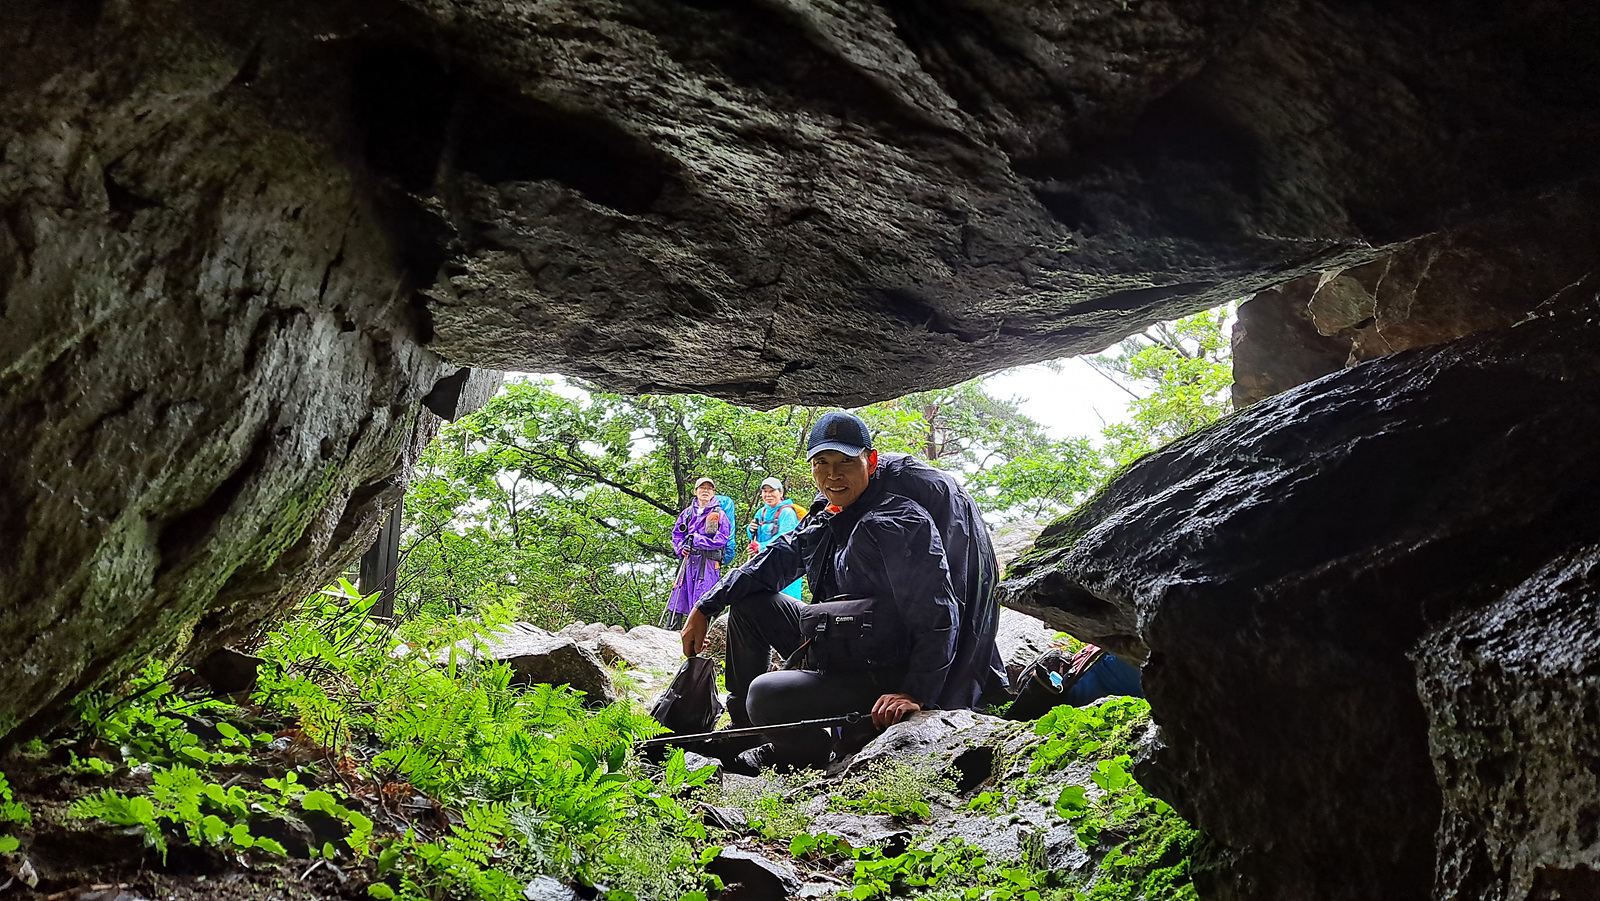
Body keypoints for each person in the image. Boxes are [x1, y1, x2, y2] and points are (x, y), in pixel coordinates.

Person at [682, 411, 998, 767]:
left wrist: (914, 692)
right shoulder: (831, 513)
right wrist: (705, 607)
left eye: (846, 462)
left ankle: (804, 754)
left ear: (871, 461)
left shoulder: (898, 522)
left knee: (765, 694)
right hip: (842, 641)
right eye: (822, 463)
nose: (833, 475)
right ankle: (747, 730)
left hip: (883, 668)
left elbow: (938, 614)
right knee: (748, 604)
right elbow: (776, 559)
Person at [662, 477, 733, 631]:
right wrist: (681, 548)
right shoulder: (687, 513)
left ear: (713, 493)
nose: (705, 491)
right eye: (702, 488)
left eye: (709, 489)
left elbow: (722, 538)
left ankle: (700, 634)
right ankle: (671, 630)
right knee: (680, 594)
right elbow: (677, 535)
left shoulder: (719, 514)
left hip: (708, 563)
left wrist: (697, 540)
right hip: (689, 561)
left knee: (704, 597)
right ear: (695, 491)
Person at [746, 477, 804, 599]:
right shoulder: (761, 512)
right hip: (765, 565)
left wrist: (760, 547)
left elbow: (786, 538)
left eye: (772, 491)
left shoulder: (787, 512)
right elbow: (755, 535)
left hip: (785, 568)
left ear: (780, 493)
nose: (768, 495)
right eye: (765, 491)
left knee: (785, 601)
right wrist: (751, 530)